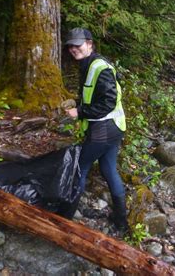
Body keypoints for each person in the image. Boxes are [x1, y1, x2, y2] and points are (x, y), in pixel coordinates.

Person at [64, 28, 128, 232]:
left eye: (78, 45)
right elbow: (96, 95)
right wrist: (78, 103)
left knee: (80, 168)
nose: (74, 49)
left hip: (105, 128)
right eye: (71, 46)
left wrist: (79, 112)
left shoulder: (100, 67)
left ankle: (65, 217)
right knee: (108, 169)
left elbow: (108, 102)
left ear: (90, 44)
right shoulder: (88, 64)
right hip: (114, 127)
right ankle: (121, 221)